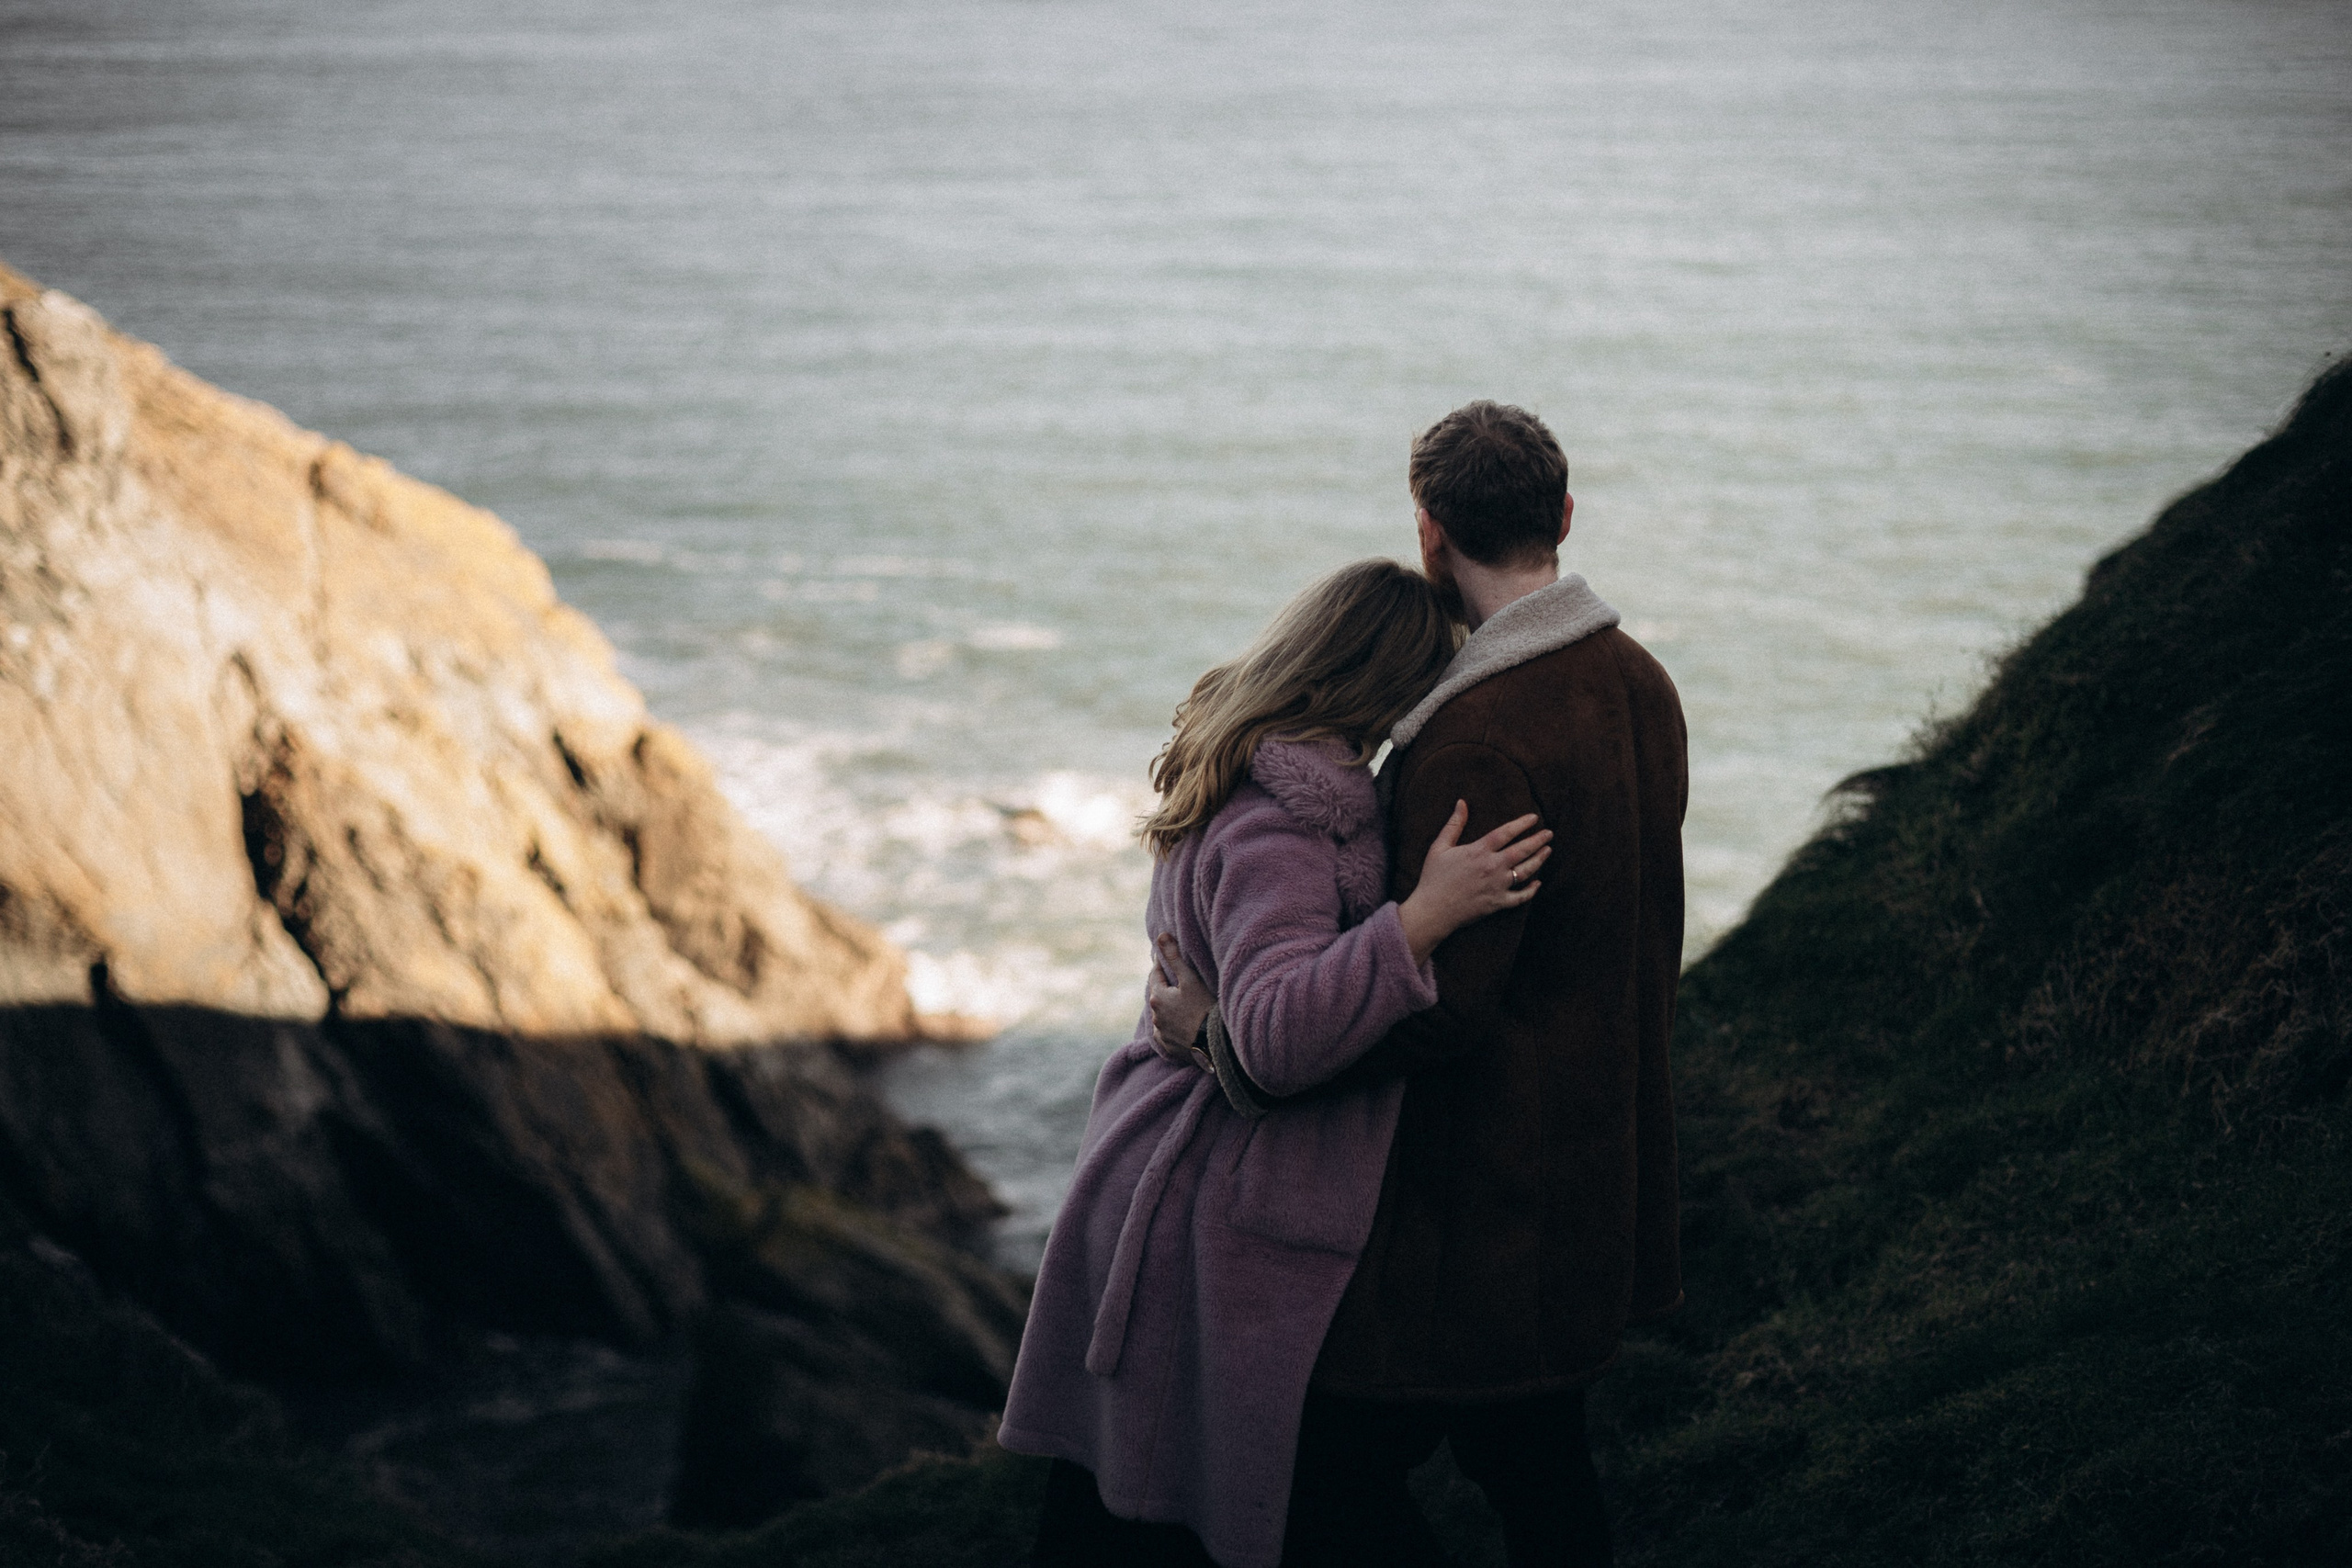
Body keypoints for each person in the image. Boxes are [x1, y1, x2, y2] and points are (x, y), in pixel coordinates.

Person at [1151, 400, 1688, 1567]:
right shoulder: (1639, 679)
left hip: (1477, 1193)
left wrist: (1221, 1040)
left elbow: (1439, 1008)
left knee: (1332, 1475)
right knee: (1538, 1467)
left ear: (1429, 532)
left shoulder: (1473, 736)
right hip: (1596, 1143)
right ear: (1563, 515)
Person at [997, 558, 1555, 1568]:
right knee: (1248, 1508)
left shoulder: (1251, 768)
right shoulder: (1285, 823)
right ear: (1389, 688)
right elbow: (1275, 1032)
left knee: (1130, 1506)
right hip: (1200, 1191)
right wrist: (1422, 919)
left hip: (1160, 1164)